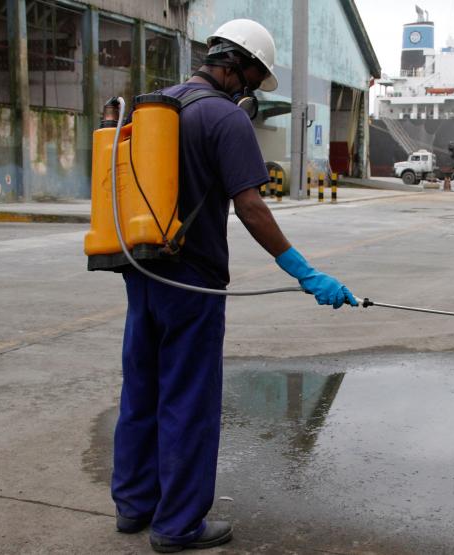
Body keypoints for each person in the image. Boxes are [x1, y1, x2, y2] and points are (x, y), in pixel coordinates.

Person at [110, 19, 357, 553]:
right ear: (239, 66)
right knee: (189, 401)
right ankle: (177, 525)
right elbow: (250, 206)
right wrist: (303, 271)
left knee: (142, 390)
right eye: (255, 78)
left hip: (140, 268)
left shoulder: (155, 108)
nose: (253, 89)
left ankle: (133, 506)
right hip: (193, 282)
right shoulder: (225, 117)